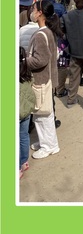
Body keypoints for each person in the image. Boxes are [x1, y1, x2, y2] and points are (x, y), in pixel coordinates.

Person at [26, 0, 60, 159]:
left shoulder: (41, 34)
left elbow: (40, 60)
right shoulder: (48, 31)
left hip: (41, 79)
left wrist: (24, 61)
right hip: (48, 78)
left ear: (40, 13)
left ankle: (49, 146)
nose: (32, 11)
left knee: (41, 114)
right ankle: (47, 142)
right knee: (44, 113)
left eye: (34, 9)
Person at [19, 46, 33, 178]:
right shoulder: (27, 72)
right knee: (24, 136)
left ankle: (17, 168)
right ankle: (24, 162)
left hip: (17, 111)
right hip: (27, 110)